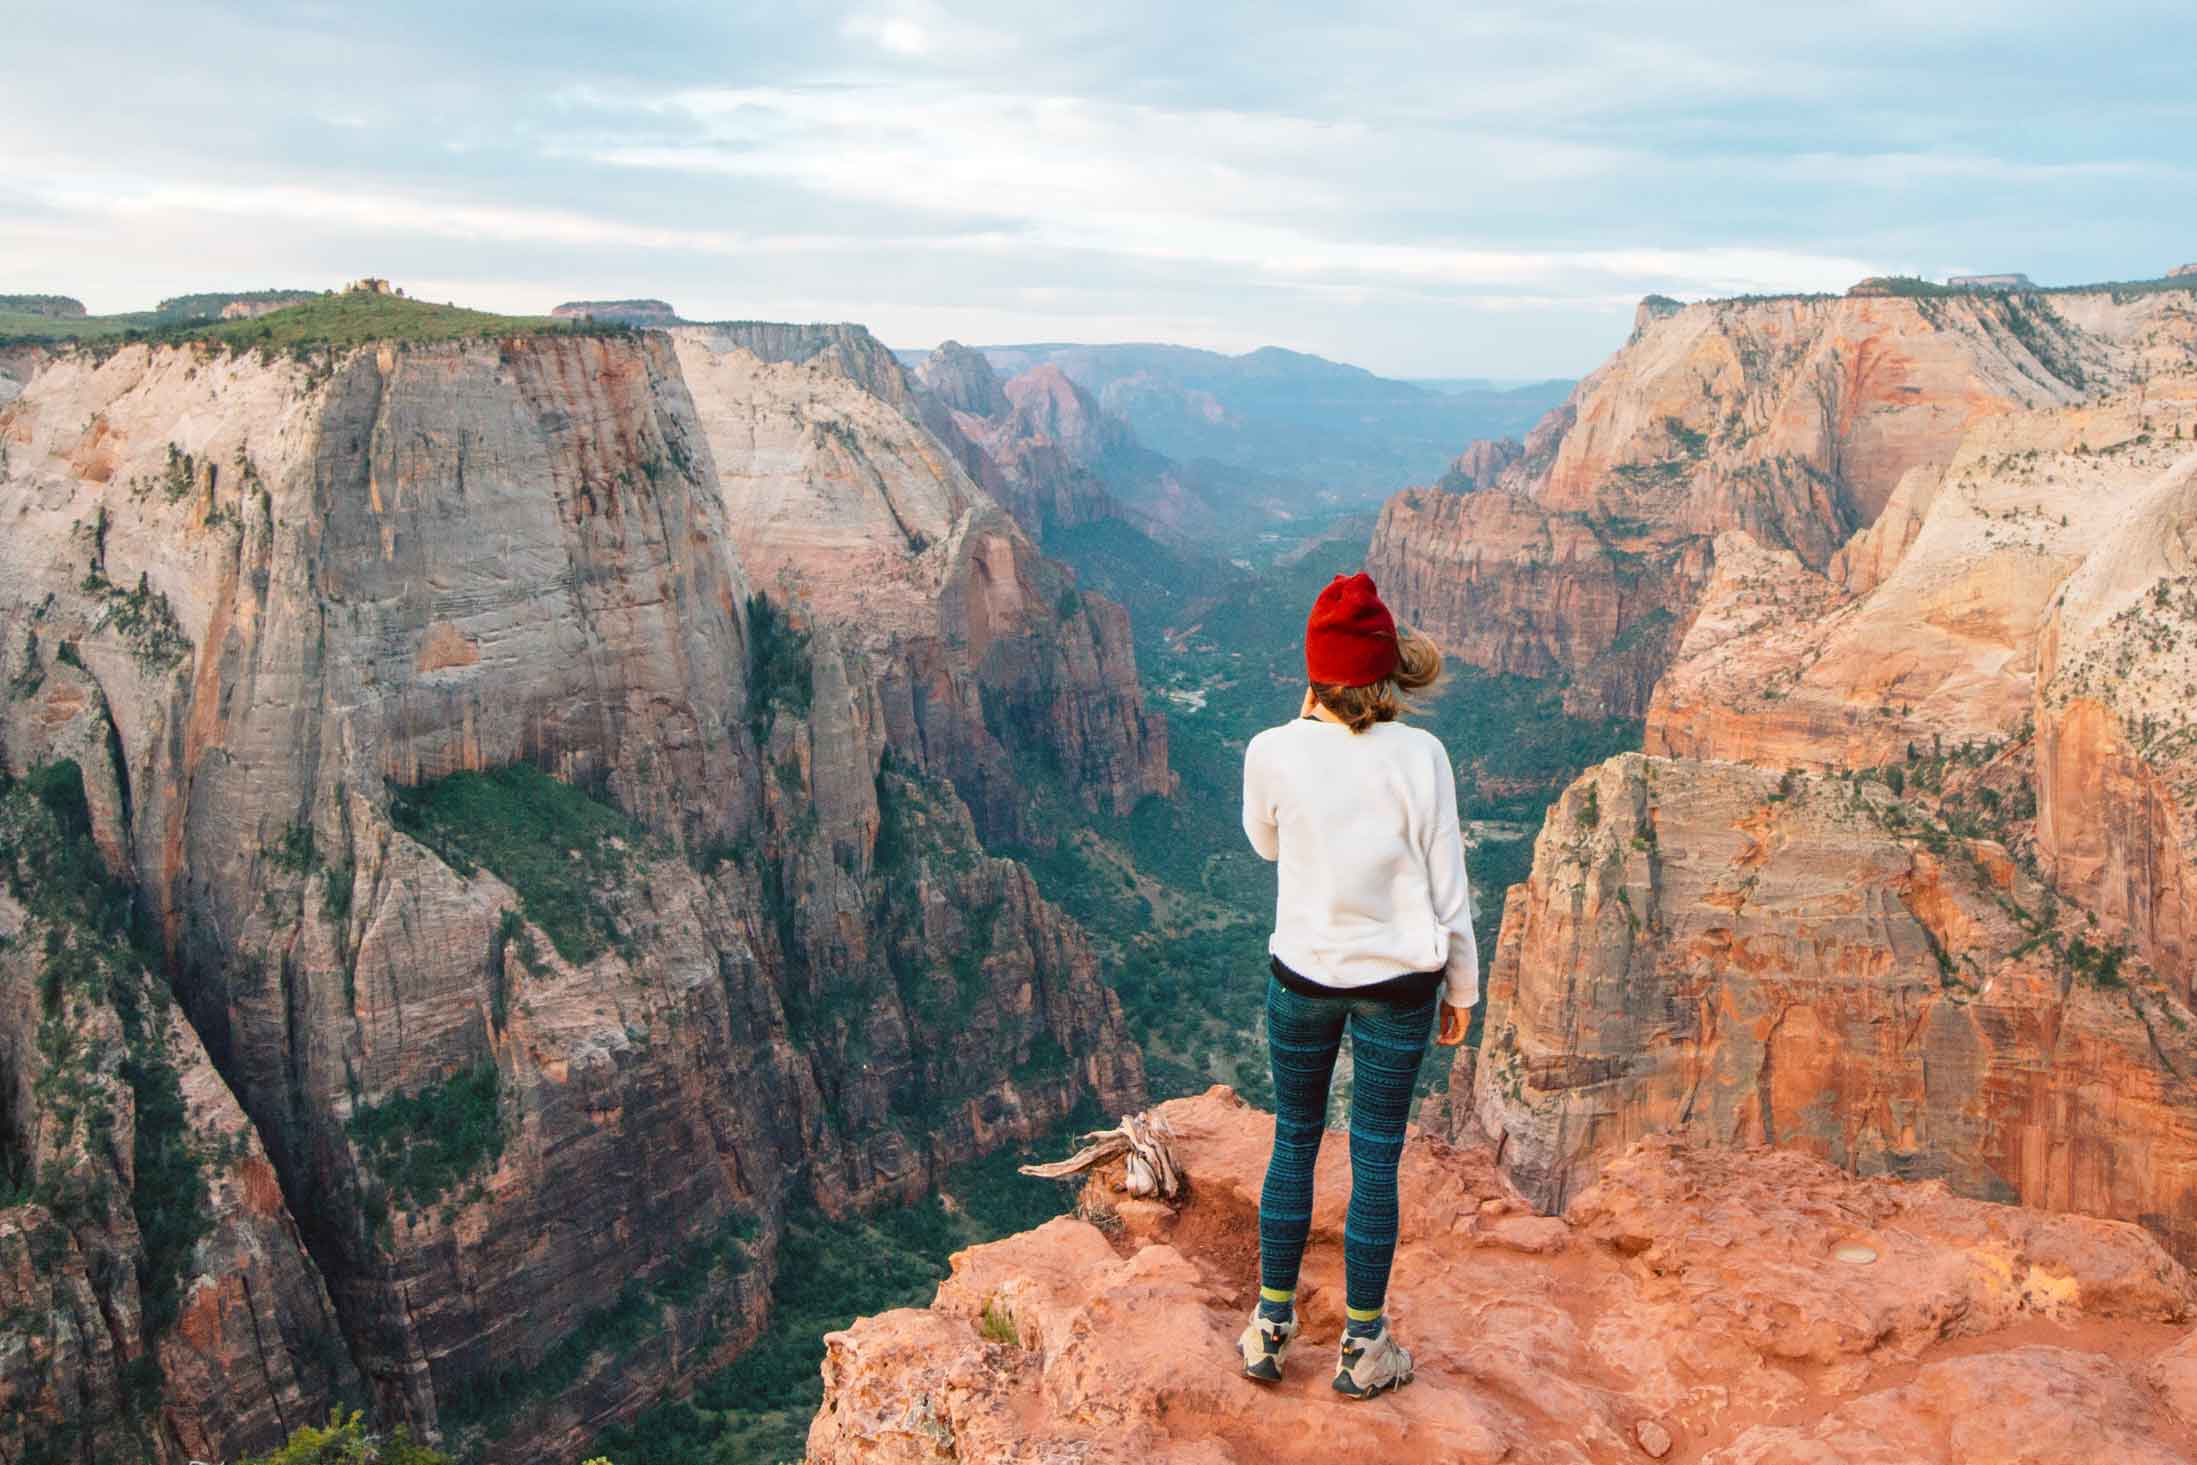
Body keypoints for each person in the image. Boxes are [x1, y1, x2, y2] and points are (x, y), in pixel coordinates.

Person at [1235, 571, 1478, 1399]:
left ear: (1313, 672)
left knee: (1295, 1136)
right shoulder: (1422, 754)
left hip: (1300, 975)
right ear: (1381, 672)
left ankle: (1269, 1328)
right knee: (1375, 1155)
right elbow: (1449, 883)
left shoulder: (1272, 749)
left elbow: (1265, 846)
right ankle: (1363, 1344)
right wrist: (1462, 990)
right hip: (1401, 984)